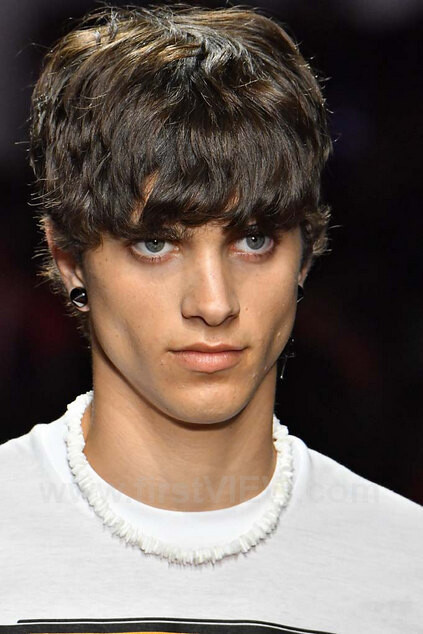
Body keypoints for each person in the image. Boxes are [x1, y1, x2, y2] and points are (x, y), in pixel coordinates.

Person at [0, 4, 421, 633]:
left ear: (306, 254)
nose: (215, 303)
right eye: (155, 244)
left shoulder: (403, 567)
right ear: (70, 260)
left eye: (254, 240)